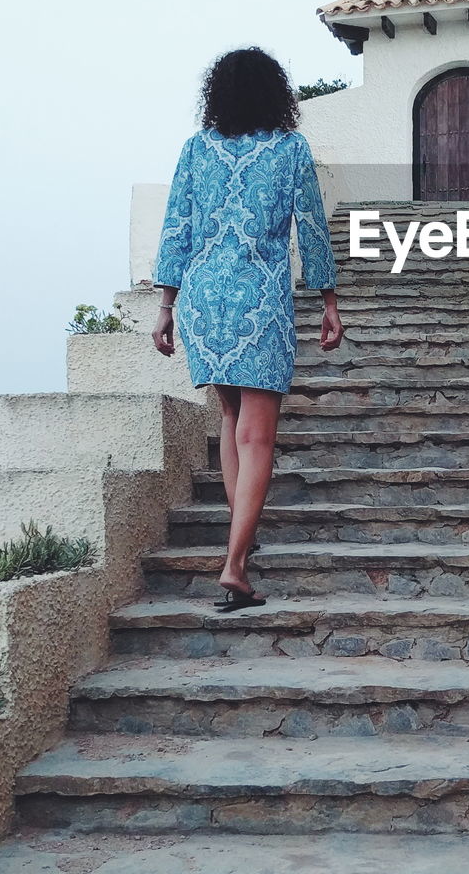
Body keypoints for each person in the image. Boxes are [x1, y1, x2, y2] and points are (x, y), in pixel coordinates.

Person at [150, 46, 343, 611]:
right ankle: (234, 565)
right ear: (274, 93)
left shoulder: (195, 150)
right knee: (257, 435)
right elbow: (312, 228)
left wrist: (166, 307)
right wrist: (329, 301)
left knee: (233, 421)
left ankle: (241, 544)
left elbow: (175, 229)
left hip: (205, 299)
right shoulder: (289, 148)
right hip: (259, 298)